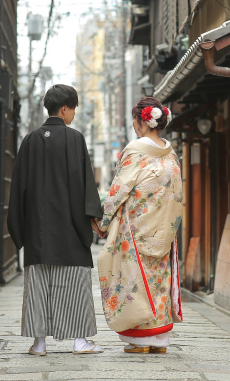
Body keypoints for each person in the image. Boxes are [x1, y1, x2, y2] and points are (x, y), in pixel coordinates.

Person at [8, 84, 105, 356]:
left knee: (38, 286)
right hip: (69, 229)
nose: (74, 114)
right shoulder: (74, 139)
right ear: (64, 109)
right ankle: (79, 342)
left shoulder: (29, 141)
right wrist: (92, 219)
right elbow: (83, 184)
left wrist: (20, 228)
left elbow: (19, 188)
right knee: (74, 285)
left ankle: (39, 343)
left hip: (37, 232)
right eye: (73, 108)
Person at [96, 97, 183, 354]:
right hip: (164, 227)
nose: (134, 126)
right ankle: (160, 341)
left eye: (135, 121)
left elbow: (119, 189)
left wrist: (104, 220)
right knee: (158, 279)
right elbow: (177, 194)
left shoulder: (135, 150)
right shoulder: (171, 153)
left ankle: (142, 340)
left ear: (142, 122)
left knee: (135, 280)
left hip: (136, 226)